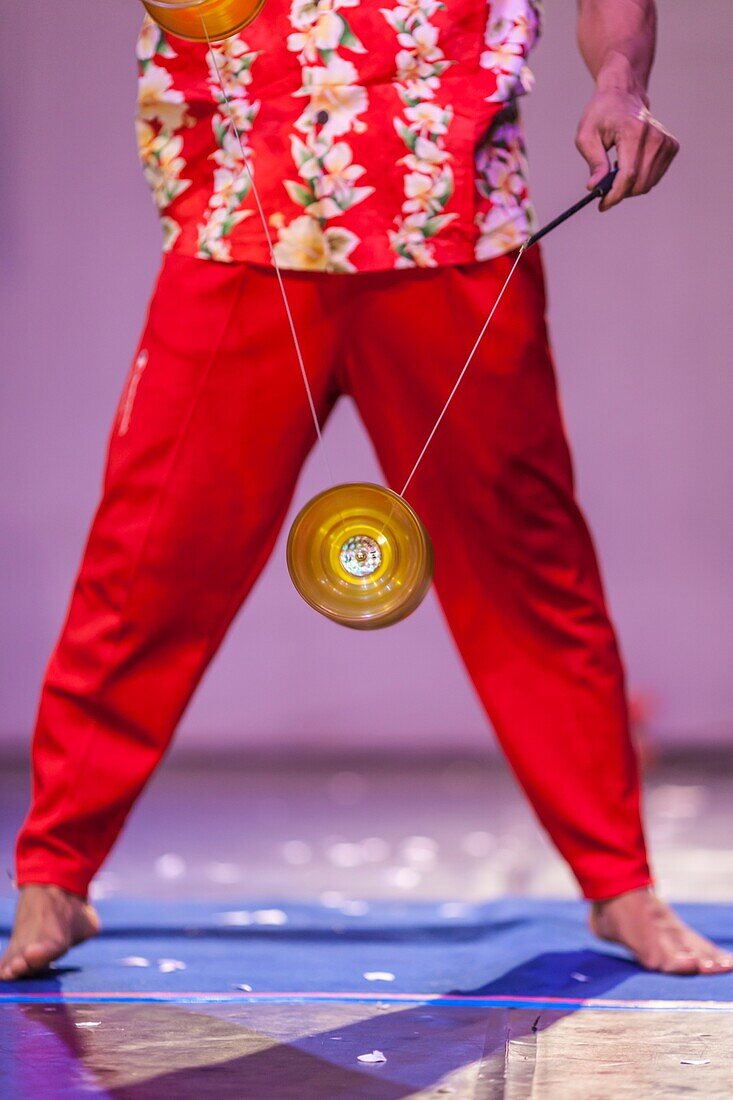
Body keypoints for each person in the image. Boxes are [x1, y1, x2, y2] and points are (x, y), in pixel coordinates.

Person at [2, 0, 730, 982]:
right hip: (239, 221)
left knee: (527, 570)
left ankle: (620, 877)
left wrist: (619, 80)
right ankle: (54, 870)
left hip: (456, 222)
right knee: (149, 562)